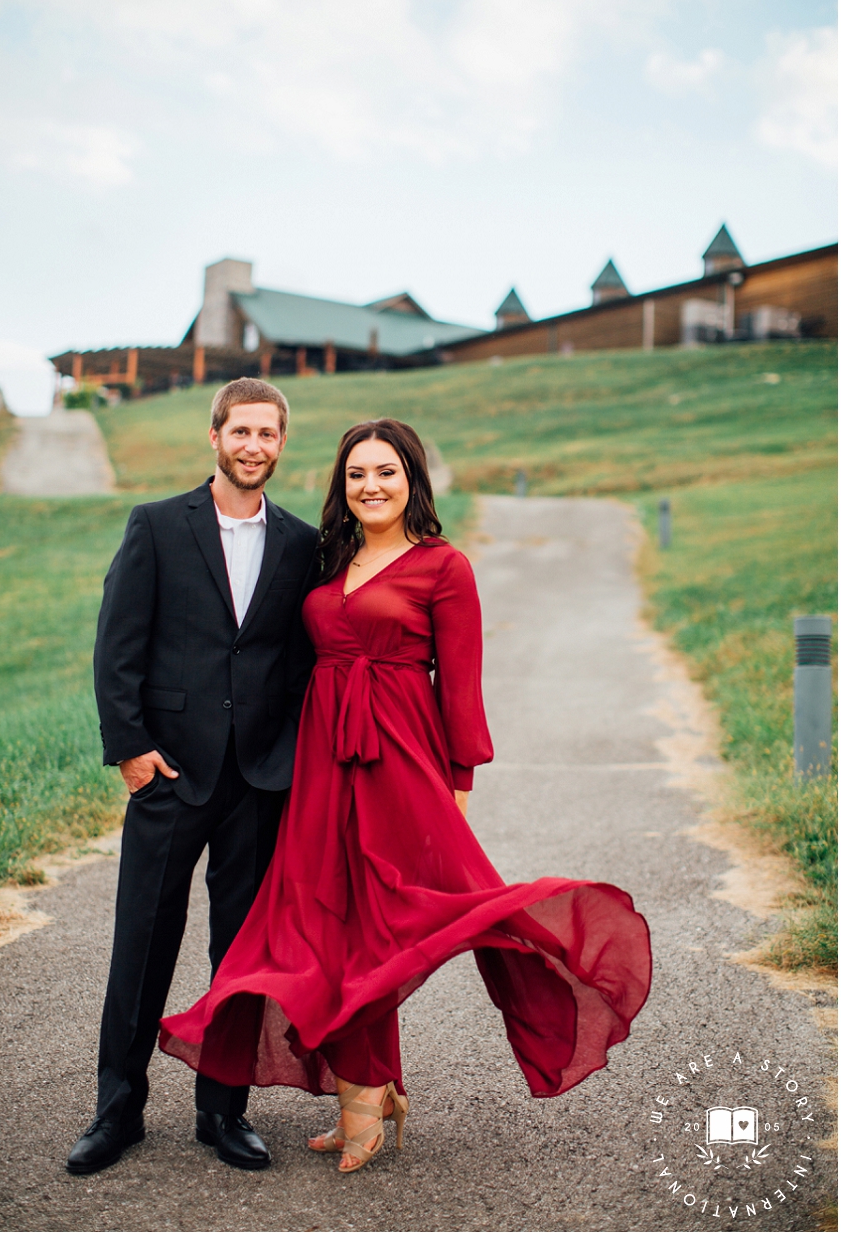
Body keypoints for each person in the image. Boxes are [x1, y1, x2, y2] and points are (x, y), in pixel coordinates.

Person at [159, 419, 652, 1174]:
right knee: (329, 924)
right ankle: (372, 1087)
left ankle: (368, 1092)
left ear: (412, 480)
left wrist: (458, 784)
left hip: (400, 763)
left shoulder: (443, 567)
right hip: (322, 765)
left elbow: (460, 685)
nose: (371, 486)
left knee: (394, 922)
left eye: (385, 472)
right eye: (357, 474)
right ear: (343, 485)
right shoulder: (329, 559)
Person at [66, 378, 318, 1176]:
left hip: (257, 782)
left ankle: (222, 1110)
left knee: (241, 952)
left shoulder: (301, 543)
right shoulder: (157, 526)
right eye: (240, 430)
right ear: (215, 436)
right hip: (170, 773)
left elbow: (301, 659)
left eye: (268, 434)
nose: (254, 446)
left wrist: (289, 757)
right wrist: (130, 749)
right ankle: (118, 1108)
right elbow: (118, 646)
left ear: (282, 443)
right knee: (141, 942)